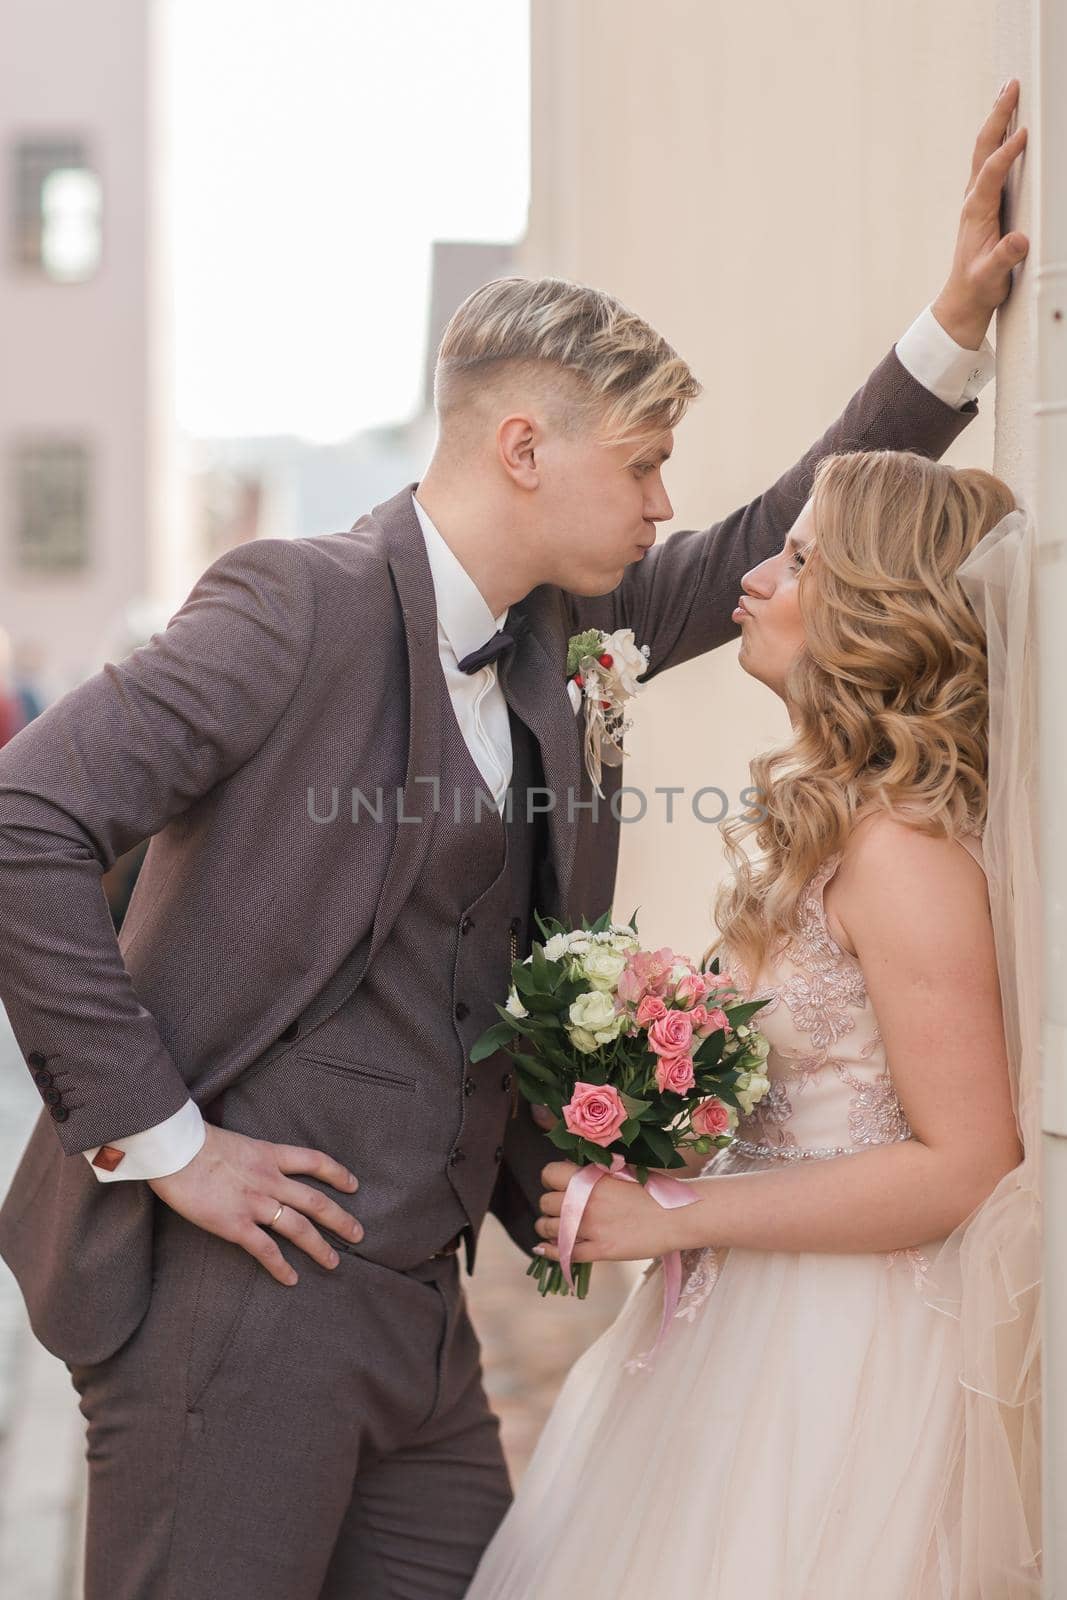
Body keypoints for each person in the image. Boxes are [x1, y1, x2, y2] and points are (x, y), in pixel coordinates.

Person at [0, 87, 1027, 1600]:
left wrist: (945, 330)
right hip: (237, 1303)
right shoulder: (293, 606)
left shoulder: (572, 636)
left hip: (427, 1321)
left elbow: (772, 542)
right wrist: (165, 1143)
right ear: (527, 447)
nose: (667, 504)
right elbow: (26, 813)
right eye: (644, 464)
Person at [483, 451, 1040, 1598]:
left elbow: (967, 1161)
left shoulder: (902, 856)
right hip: (741, 1313)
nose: (752, 573)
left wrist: (671, 1209)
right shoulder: (827, 828)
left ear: (876, 609)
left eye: (797, 557)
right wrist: (659, 1109)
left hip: (844, 1351)